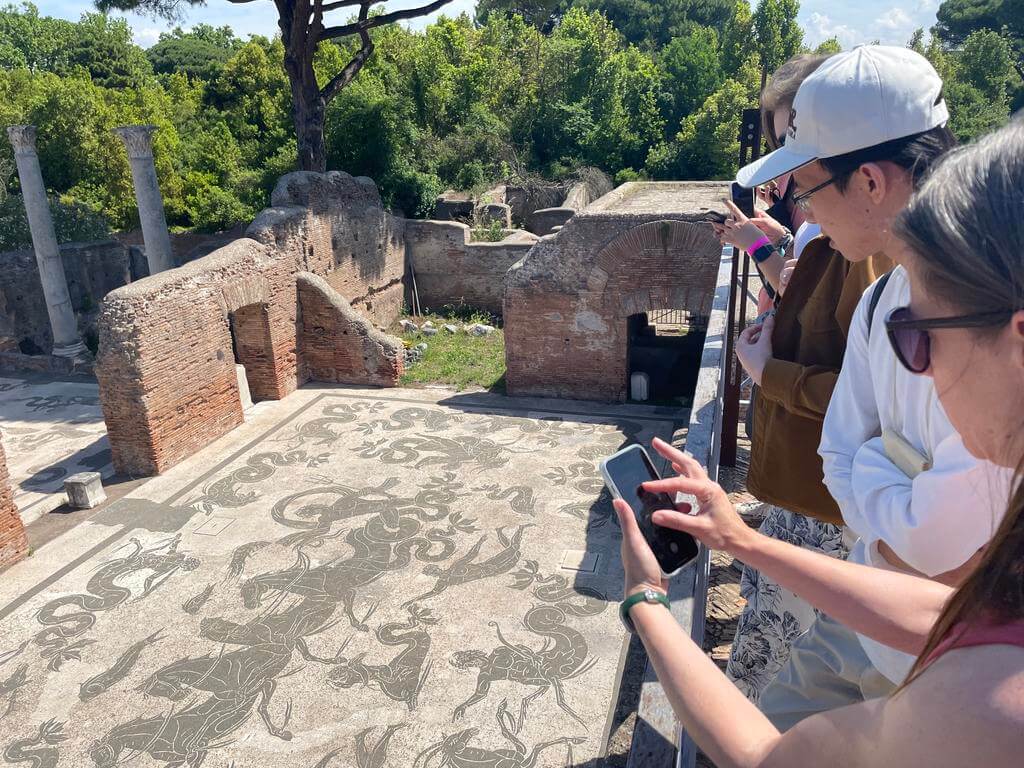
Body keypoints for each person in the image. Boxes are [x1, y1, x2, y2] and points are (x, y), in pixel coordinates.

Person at [613, 112, 1024, 767]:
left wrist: (646, 601)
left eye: (921, 340)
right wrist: (738, 538)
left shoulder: (990, 709)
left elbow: (770, 758)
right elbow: (952, 611)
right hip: (868, 618)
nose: (922, 373)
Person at [715, 50, 893, 702]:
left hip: (828, 513)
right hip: (802, 499)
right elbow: (809, 309)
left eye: (802, 151)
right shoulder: (830, 232)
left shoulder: (870, 252)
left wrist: (770, 374)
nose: (792, 176)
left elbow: (870, 400)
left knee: (776, 695)